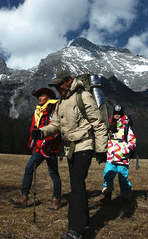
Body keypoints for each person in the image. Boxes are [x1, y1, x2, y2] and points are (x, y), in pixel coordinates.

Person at [32, 70, 108, 239]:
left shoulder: (84, 96)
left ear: (68, 81)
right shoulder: (61, 102)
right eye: (56, 86)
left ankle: (76, 230)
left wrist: (102, 149)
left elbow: (99, 123)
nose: (58, 88)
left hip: (84, 146)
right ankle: (85, 224)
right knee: (77, 185)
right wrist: (42, 132)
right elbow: (55, 125)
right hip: (70, 149)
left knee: (76, 187)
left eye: (60, 85)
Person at [8, 87, 62, 210]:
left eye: (42, 95)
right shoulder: (38, 110)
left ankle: (56, 199)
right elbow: (34, 128)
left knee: (54, 174)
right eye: (38, 96)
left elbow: (57, 129)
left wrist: (47, 142)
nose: (39, 98)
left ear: (49, 97)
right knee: (29, 169)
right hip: (39, 147)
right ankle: (24, 196)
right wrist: (31, 143)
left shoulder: (54, 109)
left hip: (50, 147)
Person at [100, 105, 137, 204]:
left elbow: (132, 140)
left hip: (122, 158)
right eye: (115, 113)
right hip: (111, 157)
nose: (117, 115)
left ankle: (125, 197)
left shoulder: (126, 127)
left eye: (119, 114)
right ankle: (107, 197)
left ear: (122, 114)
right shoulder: (110, 125)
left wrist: (126, 151)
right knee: (107, 175)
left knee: (123, 178)